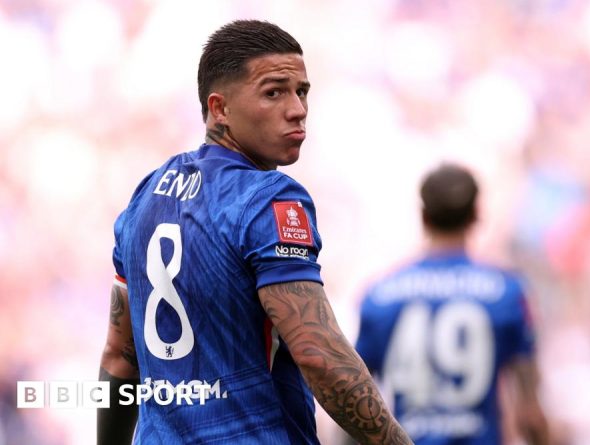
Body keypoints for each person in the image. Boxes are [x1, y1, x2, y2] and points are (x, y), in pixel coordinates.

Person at [97, 19, 412, 445]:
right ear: (220, 108)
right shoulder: (268, 197)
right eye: (274, 92)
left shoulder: (145, 194)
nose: (298, 109)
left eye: (302, 92)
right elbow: (319, 356)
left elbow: (119, 359)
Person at [355, 164, 549, 445]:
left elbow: (354, 400)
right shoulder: (508, 293)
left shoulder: (380, 295)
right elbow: (530, 413)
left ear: (423, 216)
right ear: (476, 215)